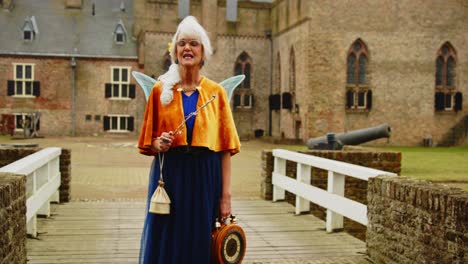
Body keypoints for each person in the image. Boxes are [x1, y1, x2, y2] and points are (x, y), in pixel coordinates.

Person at [137, 16, 241, 264]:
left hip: (206, 176)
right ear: (174, 51)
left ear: (202, 52)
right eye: (182, 43)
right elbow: (148, 142)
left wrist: (225, 196)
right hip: (170, 176)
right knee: (167, 239)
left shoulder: (216, 93)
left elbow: (225, 149)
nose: (187, 48)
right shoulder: (159, 91)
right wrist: (158, 143)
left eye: (194, 43)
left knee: (200, 239)